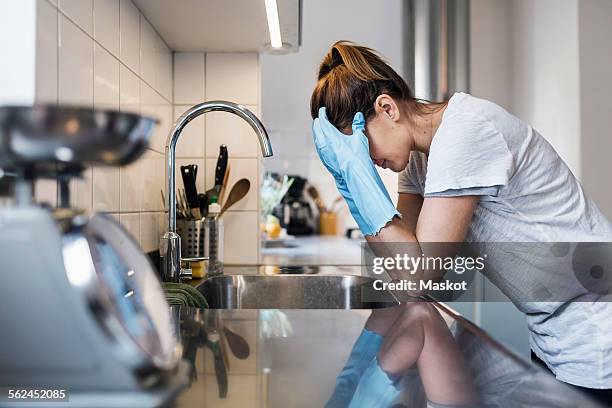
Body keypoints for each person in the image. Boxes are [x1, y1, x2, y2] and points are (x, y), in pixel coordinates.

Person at [310, 40, 612, 405]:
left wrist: (357, 181)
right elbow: (402, 274)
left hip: (594, 330)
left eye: (362, 148)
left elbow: (419, 274)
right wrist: (351, 185)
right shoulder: (421, 160)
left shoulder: (464, 132)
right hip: (550, 331)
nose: (368, 161)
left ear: (387, 108)